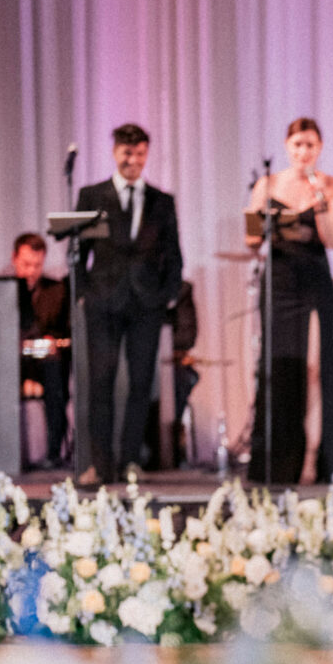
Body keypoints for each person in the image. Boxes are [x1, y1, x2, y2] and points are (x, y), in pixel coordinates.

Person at [75, 124, 184, 484]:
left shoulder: (161, 201)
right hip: (103, 302)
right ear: (114, 152)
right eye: (126, 151)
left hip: (145, 303)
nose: (132, 159)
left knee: (141, 383)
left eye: (139, 153)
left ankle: (129, 461)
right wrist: (81, 293)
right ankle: (100, 465)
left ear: (146, 155)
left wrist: (165, 295)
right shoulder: (92, 195)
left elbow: (174, 255)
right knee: (100, 383)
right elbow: (78, 253)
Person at [246, 118, 333, 485]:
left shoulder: (332, 185)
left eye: (310, 145)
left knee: (316, 368)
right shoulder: (267, 184)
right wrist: (266, 222)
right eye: (298, 145)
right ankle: (277, 460)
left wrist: (319, 201)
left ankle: (316, 458)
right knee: (280, 367)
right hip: (280, 280)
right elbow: (252, 241)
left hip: (314, 278)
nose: (304, 152)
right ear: (287, 146)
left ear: (319, 148)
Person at [10, 231, 70, 466]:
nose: (31, 271)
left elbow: (64, 332)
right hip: (11, 363)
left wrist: (49, 341)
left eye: (37, 265)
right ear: (14, 258)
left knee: (55, 373)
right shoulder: (2, 290)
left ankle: (53, 452)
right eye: (26, 264)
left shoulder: (56, 290)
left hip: (46, 361)